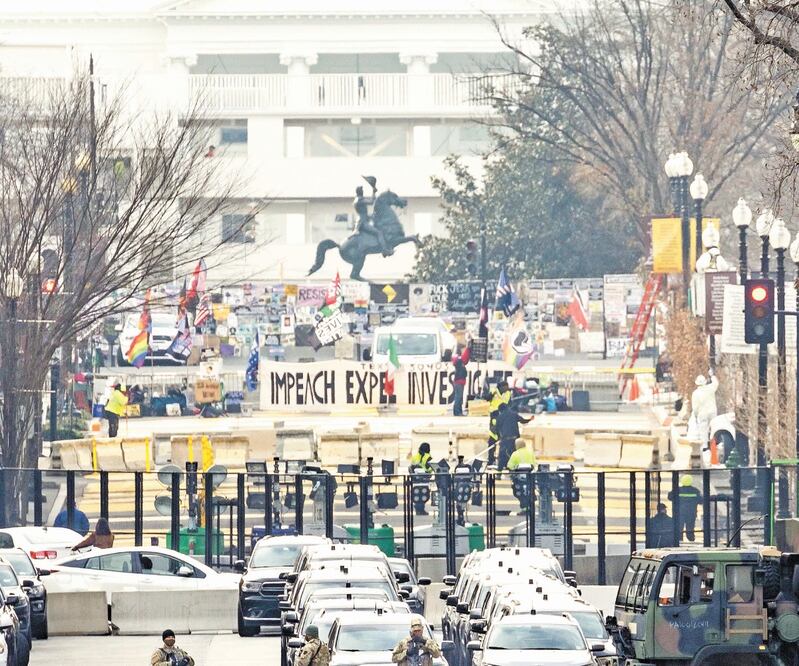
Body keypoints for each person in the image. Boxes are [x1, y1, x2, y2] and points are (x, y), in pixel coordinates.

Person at [354, 181, 392, 257]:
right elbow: (371, 202)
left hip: (363, 220)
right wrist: (373, 192)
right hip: (363, 223)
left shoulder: (357, 199)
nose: (363, 192)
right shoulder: (360, 200)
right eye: (362, 191)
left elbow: (363, 213)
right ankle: (384, 250)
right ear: (360, 192)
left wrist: (372, 215)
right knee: (379, 232)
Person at [496, 403, 533, 470]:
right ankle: (513, 471)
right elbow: (522, 420)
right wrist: (529, 419)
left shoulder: (500, 416)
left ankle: (499, 473)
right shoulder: (514, 414)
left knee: (502, 456)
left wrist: (499, 438)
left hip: (505, 440)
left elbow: (497, 429)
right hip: (515, 440)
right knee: (514, 456)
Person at [668, 475, 702, 542]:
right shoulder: (695, 491)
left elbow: (670, 497)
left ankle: (679, 540)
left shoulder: (677, 490)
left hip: (679, 513)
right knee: (690, 528)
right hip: (691, 513)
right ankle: (691, 539)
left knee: (679, 527)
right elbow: (700, 501)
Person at [691, 370, 719, 447]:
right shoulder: (710, 388)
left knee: (703, 430)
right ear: (705, 382)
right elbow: (716, 383)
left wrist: (696, 415)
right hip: (712, 411)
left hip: (702, 414)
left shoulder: (695, 393)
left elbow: (695, 407)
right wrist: (712, 375)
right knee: (713, 428)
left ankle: (705, 446)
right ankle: (713, 444)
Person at [487, 380, 511, 466]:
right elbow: (487, 398)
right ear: (501, 387)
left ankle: (503, 461)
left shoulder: (508, 393)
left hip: (504, 416)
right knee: (492, 439)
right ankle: (491, 459)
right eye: (506, 387)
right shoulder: (494, 391)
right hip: (494, 415)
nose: (507, 388)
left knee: (504, 440)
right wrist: (491, 394)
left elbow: (510, 404)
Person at [410, 442, 434, 516]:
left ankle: (418, 509)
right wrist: (430, 472)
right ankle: (421, 509)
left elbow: (411, 467)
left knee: (417, 493)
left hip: (415, 479)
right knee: (424, 493)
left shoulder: (414, 456)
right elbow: (430, 467)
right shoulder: (428, 456)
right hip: (424, 478)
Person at [451, 343, 471, 416]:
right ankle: (457, 412)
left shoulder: (458, 361)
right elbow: (465, 357)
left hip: (459, 382)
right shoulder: (460, 361)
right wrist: (468, 349)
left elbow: (465, 358)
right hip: (459, 382)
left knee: (459, 397)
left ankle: (458, 412)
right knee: (458, 397)